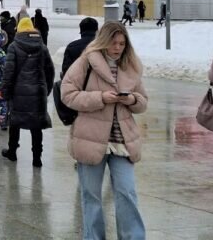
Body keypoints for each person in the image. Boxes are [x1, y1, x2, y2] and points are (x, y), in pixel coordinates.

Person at [61, 21, 148, 239]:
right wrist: (100, 98)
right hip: (90, 139)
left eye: (122, 43)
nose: (118, 48)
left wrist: (132, 99)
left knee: (127, 192)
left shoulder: (131, 65)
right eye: (113, 43)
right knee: (91, 196)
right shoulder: (86, 61)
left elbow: (143, 102)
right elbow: (67, 94)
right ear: (103, 41)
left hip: (122, 142)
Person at [0, 17, 55, 167]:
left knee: (15, 122)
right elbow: (50, 71)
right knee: (36, 126)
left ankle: (12, 152)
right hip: (38, 92)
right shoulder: (42, 47)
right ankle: (37, 158)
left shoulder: (13, 46)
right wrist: (46, 89)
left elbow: (9, 72)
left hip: (18, 91)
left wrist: (5, 92)